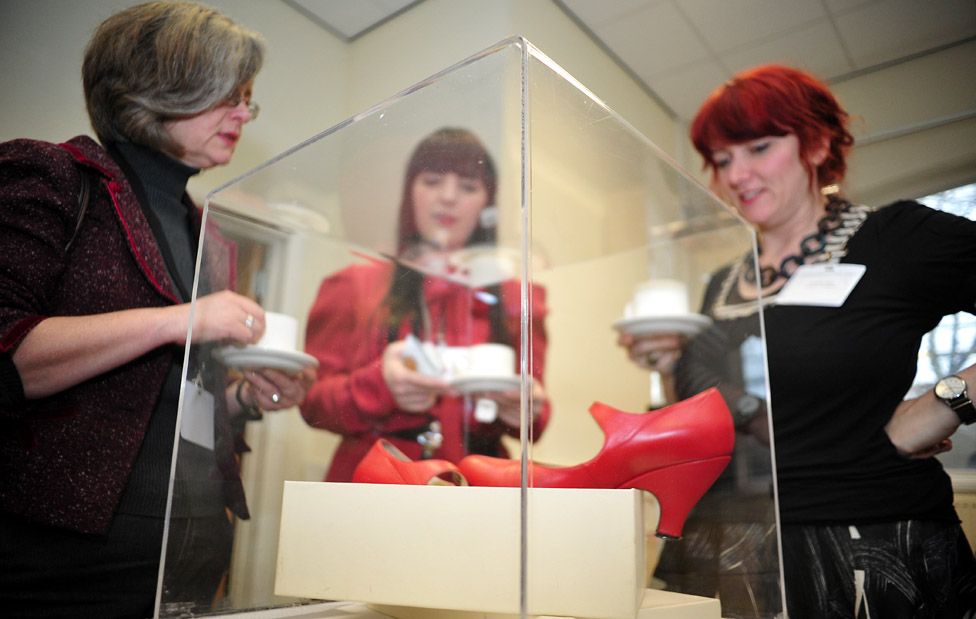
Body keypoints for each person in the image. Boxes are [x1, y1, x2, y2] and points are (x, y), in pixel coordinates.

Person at [627, 64, 976, 617]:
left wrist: (948, 399)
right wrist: (670, 363)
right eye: (722, 159)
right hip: (726, 538)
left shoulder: (896, 238)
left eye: (758, 148)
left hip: (861, 540)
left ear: (816, 144)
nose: (736, 174)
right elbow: (720, 417)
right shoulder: (721, 284)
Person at [0, 3, 313, 617]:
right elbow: (10, 355)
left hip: (192, 550)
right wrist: (182, 319)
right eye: (230, 95)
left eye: (249, 99)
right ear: (158, 86)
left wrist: (247, 399)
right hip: (62, 566)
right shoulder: (52, 175)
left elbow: (166, 399)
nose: (245, 114)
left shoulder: (209, 234)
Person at [301, 127, 551, 482]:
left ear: (486, 205)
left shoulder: (516, 298)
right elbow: (312, 403)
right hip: (375, 484)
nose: (448, 197)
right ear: (409, 192)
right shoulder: (355, 285)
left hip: (479, 489)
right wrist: (378, 385)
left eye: (468, 186)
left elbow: (536, 408)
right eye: (432, 181)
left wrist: (527, 407)